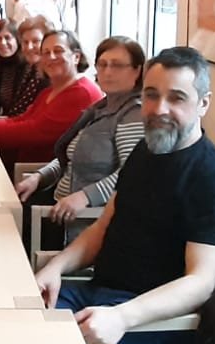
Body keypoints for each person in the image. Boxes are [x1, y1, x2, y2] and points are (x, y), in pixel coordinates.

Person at [33, 47, 215, 344]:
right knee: (8, 326)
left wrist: (122, 317)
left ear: (203, 104)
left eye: (176, 98)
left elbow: (200, 282)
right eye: (151, 95)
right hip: (96, 296)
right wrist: (56, 268)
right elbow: (103, 228)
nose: (159, 109)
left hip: (155, 327)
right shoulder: (145, 151)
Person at [15, 36, 147, 246]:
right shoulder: (101, 108)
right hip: (57, 204)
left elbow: (132, 173)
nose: (107, 72)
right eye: (102, 64)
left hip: (81, 220)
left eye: (117, 65)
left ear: (137, 71)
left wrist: (86, 196)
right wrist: (39, 177)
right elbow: (72, 157)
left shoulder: (134, 115)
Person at [0, 30, 102, 169]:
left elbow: (37, 131)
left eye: (58, 51)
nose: (51, 57)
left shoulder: (82, 92)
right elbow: (22, 119)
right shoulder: (50, 90)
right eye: (46, 53)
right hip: (21, 161)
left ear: (76, 57)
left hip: (37, 173)